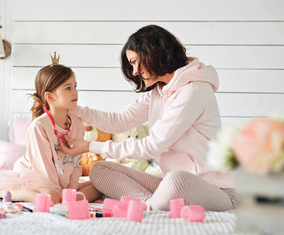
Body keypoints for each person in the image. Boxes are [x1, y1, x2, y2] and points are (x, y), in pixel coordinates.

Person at [59, 25, 239, 211]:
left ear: (154, 53)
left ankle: (151, 205)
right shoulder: (159, 91)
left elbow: (152, 146)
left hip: (216, 190)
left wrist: (90, 146)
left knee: (176, 179)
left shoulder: (193, 91)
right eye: (132, 64)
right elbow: (120, 121)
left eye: (136, 62)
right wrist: (75, 110)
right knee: (100, 169)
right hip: (170, 185)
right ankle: (149, 204)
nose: (135, 71)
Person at [0, 56, 101, 204]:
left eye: (75, 86)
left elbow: (76, 163)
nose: (75, 92)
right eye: (68, 88)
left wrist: (71, 190)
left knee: (101, 185)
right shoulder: (39, 127)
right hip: (38, 178)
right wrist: (62, 195)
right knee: (51, 198)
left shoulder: (77, 125)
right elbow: (44, 170)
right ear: (50, 97)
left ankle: (65, 198)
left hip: (62, 183)